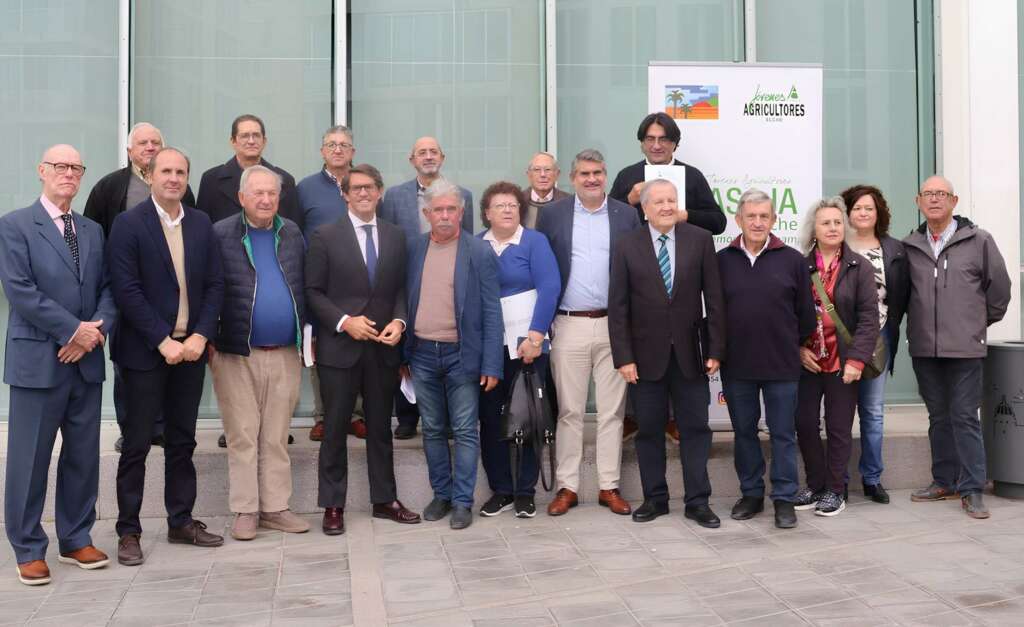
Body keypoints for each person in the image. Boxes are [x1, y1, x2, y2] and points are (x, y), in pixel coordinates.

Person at [0, 145, 117, 585]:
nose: (69, 173)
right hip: (38, 362)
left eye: (76, 168)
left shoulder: (91, 230)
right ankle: (28, 548)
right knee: (30, 460)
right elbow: (21, 291)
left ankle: (75, 537)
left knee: (83, 456)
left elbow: (109, 289)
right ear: (42, 171)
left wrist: (92, 334)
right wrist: (73, 331)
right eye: (60, 166)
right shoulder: (14, 226)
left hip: (84, 364)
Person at [108, 147, 225, 565]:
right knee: (137, 444)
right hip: (144, 352)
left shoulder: (200, 224)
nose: (174, 178)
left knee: (182, 441)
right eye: (166, 171)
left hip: (190, 351)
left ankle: (181, 521)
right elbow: (126, 289)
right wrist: (162, 340)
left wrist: (199, 335)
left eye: (180, 172)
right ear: (151, 175)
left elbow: (215, 285)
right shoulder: (128, 224)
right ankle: (129, 531)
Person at [306, 164, 421, 535]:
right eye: (355, 188)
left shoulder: (396, 236)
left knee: (380, 430)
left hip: (382, 351)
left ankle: (385, 500)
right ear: (345, 194)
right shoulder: (324, 236)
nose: (363, 193)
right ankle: (333, 505)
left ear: (380, 192)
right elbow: (313, 293)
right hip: (340, 348)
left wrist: (400, 322)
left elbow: (401, 289)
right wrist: (344, 321)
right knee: (336, 427)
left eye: (370, 187)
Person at [608, 179, 725, 527]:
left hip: (691, 355)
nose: (666, 207)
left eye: (671, 200)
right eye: (658, 201)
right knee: (648, 431)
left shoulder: (700, 240)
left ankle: (698, 502)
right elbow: (619, 307)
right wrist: (624, 357)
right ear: (644, 208)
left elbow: (715, 300)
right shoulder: (627, 246)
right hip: (644, 359)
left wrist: (716, 349)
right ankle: (654, 499)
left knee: (695, 429)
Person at [536, 149, 640, 518]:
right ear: (573, 178)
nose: (592, 179)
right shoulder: (552, 216)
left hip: (614, 325)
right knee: (569, 410)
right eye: (584, 174)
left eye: (597, 172)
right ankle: (568, 487)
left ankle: (608, 486)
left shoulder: (626, 215)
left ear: (605, 175)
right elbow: (542, 268)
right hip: (568, 324)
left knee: (612, 412)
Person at [210, 165, 309, 541]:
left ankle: (275, 508)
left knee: (276, 435)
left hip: (285, 352)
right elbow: (209, 289)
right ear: (241, 198)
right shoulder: (221, 234)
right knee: (243, 434)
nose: (266, 200)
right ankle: (246, 510)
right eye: (258, 194)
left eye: (271, 193)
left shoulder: (292, 232)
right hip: (236, 352)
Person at [904, 176, 1010, 519]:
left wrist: (975, 325)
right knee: (938, 417)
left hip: (966, 349)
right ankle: (944, 481)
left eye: (942, 194)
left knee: (964, 417)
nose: (935, 199)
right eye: (929, 194)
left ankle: (972, 488)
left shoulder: (979, 240)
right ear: (919, 201)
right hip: (924, 349)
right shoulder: (910, 245)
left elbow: (1000, 292)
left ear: (954, 200)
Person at [84, 122, 195, 451]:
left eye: (155, 142)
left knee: (166, 361)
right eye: (142, 142)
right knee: (127, 364)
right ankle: (130, 427)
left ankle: (160, 426)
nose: (149, 146)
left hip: (172, 295)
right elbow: (94, 233)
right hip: (126, 290)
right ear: (130, 151)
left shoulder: (180, 188)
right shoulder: (110, 186)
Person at [196, 114, 301, 448]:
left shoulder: (284, 179)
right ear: (233, 141)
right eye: (245, 135)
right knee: (240, 420)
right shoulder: (212, 179)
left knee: (273, 433)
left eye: (257, 135)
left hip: (269, 275)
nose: (251, 140)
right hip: (231, 288)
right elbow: (202, 231)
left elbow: (290, 240)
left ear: (265, 141)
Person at [405, 179, 503, 530]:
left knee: (464, 430)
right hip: (422, 354)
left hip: (463, 355)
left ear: (461, 213)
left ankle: (462, 501)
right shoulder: (414, 249)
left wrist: (492, 363)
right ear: (426, 214)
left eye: (452, 210)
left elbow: (493, 310)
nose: (445, 216)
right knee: (431, 429)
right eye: (438, 210)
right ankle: (441, 495)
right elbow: (406, 300)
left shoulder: (478, 251)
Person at [717, 189, 816, 529]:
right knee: (744, 432)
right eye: (751, 216)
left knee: (783, 434)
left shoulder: (792, 260)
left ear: (774, 220)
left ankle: (784, 499)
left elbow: (806, 315)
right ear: (739, 219)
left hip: (782, 365)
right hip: (737, 365)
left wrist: (794, 345)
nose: (757, 222)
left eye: (764, 216)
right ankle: (751, 494)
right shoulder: (722, 260)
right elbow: (714, 313)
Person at [379, 136, 474, 439]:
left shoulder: (462, 195)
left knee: (443, 349)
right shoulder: (394, 197)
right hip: (407, 277)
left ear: (442, 158)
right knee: (407, 347)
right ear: (412, 160)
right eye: (422, 152)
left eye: (434, 152)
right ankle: (407, 416)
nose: (428, 156)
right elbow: (387, 237)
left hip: (445, 280)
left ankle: (444, 420)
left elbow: (467, 240)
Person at [476, 182, 560, 519]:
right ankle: (501, 490)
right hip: (488, 352)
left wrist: (535, 337)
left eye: (513, 205)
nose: (508, 210)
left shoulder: (534, 242)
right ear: (487, 213)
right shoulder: (476, 246)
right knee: (490, 419)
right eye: (500, 205)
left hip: (528, 347)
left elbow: (550, 287)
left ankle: (525, 491)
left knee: (529, 417)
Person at [793, 197, 879, 517]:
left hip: (843, 361)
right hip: (809, 360)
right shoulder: (800, 266)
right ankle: (815, 484)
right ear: (813, 229)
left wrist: (857, 360)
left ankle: (835, 490)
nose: (832, 227)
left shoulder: (859, 266)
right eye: (825, 222)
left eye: (837, 222)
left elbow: (870, 319)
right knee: (804, 423)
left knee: (839, 426)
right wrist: (797, 350)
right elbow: (787, 315)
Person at [840, 184, 910, 504]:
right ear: (847, 213)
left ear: (878, 212)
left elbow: (903, 295)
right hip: (840, 337)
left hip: (878, 337)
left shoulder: (894, 249)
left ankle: (871, 478)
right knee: (837, 411)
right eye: (857, 208)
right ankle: (837, 478)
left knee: (872, 411)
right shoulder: (836, 244)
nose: (864, 213)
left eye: (869, 208)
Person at [297, 124, 366, 442]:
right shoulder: (305, 188)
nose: (338, 149)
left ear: (353, 151)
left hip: (361, 278)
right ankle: (324, 416)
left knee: (362, 344)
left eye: (344, 144)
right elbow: (295, 235)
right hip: (320, 281)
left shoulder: (364, 184)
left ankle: (357, 415)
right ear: (322, 151)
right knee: (321, 347)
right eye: (331, 144)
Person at [608, 112, 726, 234]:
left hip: (684, 250)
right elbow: (606, 219)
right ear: (642, 143)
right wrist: (629, 200)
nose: (656, 146)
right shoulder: (627, 175)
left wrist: (685, 215)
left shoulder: (692, 175)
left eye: (663, 139)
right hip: (638, 251)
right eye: (650, 139)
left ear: (674, 143)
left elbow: (718, 223)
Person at [521, 152, 568, 228]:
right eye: (537, 169)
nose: (542, 174)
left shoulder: (568, 202)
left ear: (557, 174)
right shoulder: (518, 201)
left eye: (547, 169)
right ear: (529, 175)